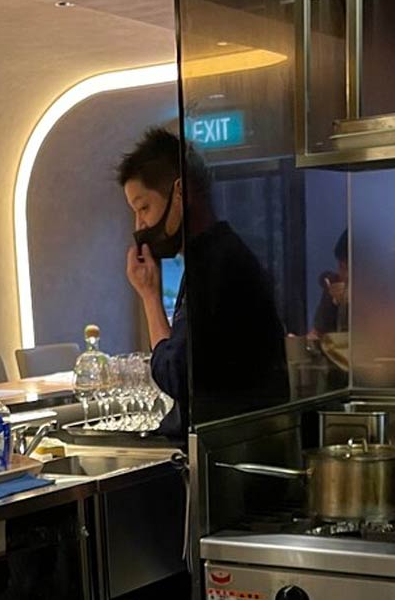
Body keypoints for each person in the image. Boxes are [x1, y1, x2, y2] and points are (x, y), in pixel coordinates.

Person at [119, 129, 287, 436]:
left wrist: (149, 297)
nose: (140, 225)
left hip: (224, 452)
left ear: (181, 192)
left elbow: (178, 377)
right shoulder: (222, 254)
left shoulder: (212, 266)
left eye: (144, 208)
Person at [311, 230, 349, 337]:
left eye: (350, 268)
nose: (345, 275)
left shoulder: (380, 297)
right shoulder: (333, 284)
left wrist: (355, 300)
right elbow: (318, 331)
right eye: (342, 267)